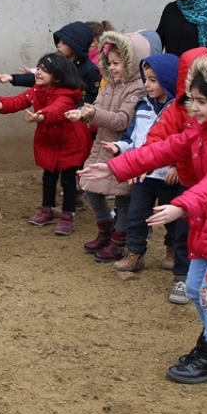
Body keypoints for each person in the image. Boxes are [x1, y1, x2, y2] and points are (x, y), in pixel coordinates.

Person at [80, 54, 207, 384]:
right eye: (191, 99)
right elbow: (165, 149)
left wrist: (182, 205)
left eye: (200, 101)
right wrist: (117, 166)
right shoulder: (204, 128)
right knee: (197, 288)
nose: (192, 108)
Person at [0, 52, 92, 235]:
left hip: (70, 142)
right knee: (48, 177)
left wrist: (41, 116)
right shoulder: (36, 90)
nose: (39, 72)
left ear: (58, 77)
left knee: (68, 180)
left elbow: (57, 110)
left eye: (46, 70)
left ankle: (68, 215)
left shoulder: (66, 95)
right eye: (40, 67)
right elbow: (20, 100)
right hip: (49, 141)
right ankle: (47, 209)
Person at [69, 31, 150, 261]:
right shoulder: (110, 85)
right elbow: (97, 106)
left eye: (117, 63)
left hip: (122, 150)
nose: (112, 68)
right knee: (91, 188)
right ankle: (106, 229)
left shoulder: (136, 89)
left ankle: (119, 240)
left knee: (123, 198)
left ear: (132, 62)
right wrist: (83, 114)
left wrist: (94, 114)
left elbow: (123, 120)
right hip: (101, 148)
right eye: (109, 63)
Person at [143, 46, 207, 303]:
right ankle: (181, 277)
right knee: (185, 231)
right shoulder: (177, 109)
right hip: (189, 181)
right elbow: (158, 139)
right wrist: (140, 162)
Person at [109, 52, 180, 272]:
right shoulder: (141, 107)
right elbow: (131, 138)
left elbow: (185, 142)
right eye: (146, 79)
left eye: (153, 80)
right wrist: (119, 148)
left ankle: (173, 251)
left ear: (168, 80)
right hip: (142, 174)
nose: (147, 85)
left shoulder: (179, 110)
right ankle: (136, 254)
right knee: (136, 214)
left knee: (171, 218)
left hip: (168, 176)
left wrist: (177, 166)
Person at [0, 21, 102, 106]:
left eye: (64, 43)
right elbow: (40, 79)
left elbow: (92, 96)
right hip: (52, 114)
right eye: (59, 41)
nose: (58, 45)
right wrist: (12, 78)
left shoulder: (90, 70)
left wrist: (77, 110)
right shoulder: (57, 62)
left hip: (75, 120)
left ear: (77, 45)